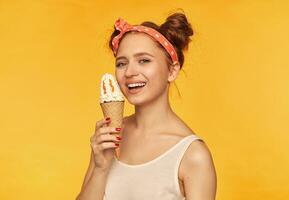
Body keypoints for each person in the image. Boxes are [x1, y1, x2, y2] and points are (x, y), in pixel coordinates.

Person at [76, 12, 217, 200]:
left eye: (144, 60)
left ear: (172, 71)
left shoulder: (193, 155)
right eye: (121, 63)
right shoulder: (108, 137)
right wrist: (101, 168)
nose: (129, 72)